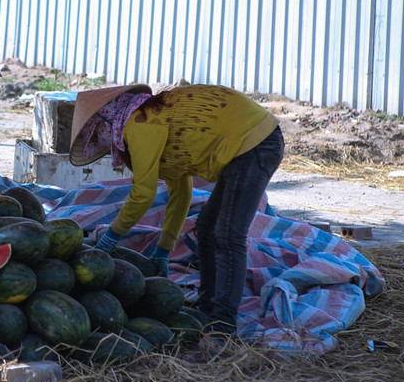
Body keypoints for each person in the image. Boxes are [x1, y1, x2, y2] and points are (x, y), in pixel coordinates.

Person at [68, 82, 284, 337]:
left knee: (228, 236)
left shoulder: (141, 125)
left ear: (106, 123)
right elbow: (181, 194)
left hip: (255, 143)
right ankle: (208, 308)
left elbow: (143, 194)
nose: (102, 144)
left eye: (97, 136)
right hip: (246, 145)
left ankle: (222, 328)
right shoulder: (154, 118)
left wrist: (110, 238)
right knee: (207, 227)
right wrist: (164, 249)